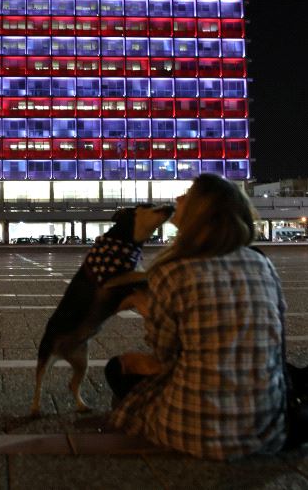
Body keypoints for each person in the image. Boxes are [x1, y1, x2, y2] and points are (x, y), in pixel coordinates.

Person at [106, 173, 287, 460]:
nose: (178, 199)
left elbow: (165, 354)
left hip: (193, 429)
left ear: (201, 212)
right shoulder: (262, 264)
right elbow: (277, 339)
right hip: (263, 426)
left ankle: (144, 419)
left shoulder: (174, 270)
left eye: (187, 195)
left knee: (119, 368)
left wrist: (147, 309)